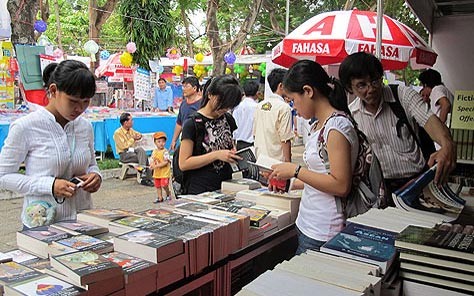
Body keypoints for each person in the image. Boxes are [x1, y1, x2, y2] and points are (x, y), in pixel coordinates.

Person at [269, 60, 359, 254]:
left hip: (324, 229)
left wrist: (296, 170)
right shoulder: (318, 125)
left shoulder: (336, 128)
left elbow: (341, 185)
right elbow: (321, 176)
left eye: (293, 100)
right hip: (308, 222)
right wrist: (289, 181)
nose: (294, 107)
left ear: (308, 91)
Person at [0, 60, 102, 229]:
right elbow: (3, 176)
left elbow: (91, 164)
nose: (79, 108)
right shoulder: (26, 126)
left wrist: (96, 176)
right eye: (73, 101)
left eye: (85, 101)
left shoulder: (85, 127)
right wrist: (49, 185)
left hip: (83, 221)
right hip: (42, 223)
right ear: (54, 90)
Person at [338, 52, 455, 192]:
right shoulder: (351, 116)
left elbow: (430, 120)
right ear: (350, 88)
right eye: (362, 85)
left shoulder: (403, 95)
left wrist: (447, 144)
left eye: (375, 81)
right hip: (380, 189)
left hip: (417, 183)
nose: (371, 89)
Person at [178, 75, 243, 194]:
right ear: (210, 94)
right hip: (200, 189)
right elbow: (184, 163)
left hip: (226, 185)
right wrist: (216, 155)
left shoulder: (228, 119)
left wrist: (233, 152)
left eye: (229, 105)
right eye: (222, 103)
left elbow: (230, 143)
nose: (225, 108)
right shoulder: (192, 123)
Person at [253, 68, 293, 162]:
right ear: (281, 86)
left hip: (260, 161)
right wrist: (288, 164)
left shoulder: (260, 105)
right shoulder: (284, 108)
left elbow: (255, 134)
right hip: (277, 164)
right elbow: (285, 140)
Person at [113, 112, 153, 186]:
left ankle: (143, 173)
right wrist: (132, 139)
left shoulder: (130, 130)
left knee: (141, 151)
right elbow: (123, 146)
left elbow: (138, 134)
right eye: (131, 120)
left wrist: (139, 136)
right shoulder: (117, 133)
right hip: (124, 154)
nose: (133, 122)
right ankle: (145, 177)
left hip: (133, 152)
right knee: (144, 157)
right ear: (125, 122)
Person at [170, 76, 202, 151]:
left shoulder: (202, 103)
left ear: (194, 88)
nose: (184, 89)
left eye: (187, 86)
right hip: (185, 139)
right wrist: (174, 140)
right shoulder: (183, 104)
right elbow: (179, 123)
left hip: (199, 141)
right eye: (183, 86)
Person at [232, 80, 259, 150]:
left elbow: (234, 127)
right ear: (256, 93)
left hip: (239, 144)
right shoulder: (258, 108)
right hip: (253, 143)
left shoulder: (237, 107)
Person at [149, 131, 171, 203]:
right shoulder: (154, 151)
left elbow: (166, 162)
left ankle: (168, 193)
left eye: (163, 141)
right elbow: (152, 159)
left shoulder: (165, 152)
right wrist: (151, 165)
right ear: (155, 142)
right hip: (157, 173)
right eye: (159, 141)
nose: (161, 143)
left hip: (164, 172)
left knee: (164, 185)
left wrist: (157, 165)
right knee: (157, 185)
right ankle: (160, 197)